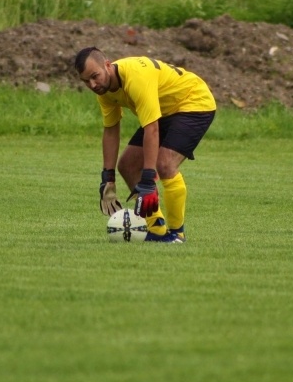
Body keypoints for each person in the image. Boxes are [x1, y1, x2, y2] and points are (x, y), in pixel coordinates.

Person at [74, 47, 216, 243]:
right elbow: (111, 130)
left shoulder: (135, 77)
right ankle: (157, 230)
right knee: (128, 165)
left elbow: (152, 129)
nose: (92, 84)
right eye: (86, 81)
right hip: (164, 111)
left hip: (193, 101)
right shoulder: (104, 91)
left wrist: (148, 180)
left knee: (165, 164)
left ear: (107, 65)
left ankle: (177, 234)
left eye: (95, 76)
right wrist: (108, 178)